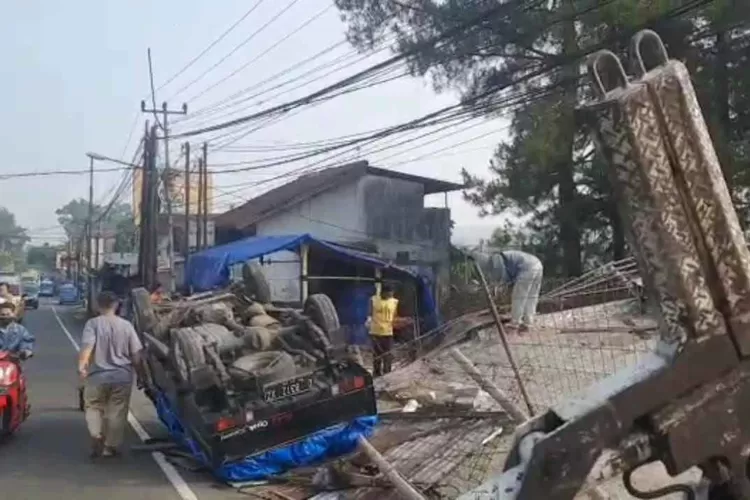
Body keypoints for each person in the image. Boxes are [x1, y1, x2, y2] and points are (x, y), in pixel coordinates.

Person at [78, 291, 145, 459]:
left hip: (97, 376)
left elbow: (87, 347)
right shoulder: (126, 326)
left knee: (93, 406)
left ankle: (96, 433)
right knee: (117, 411)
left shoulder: (92, 324)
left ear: (97, 305)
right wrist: (140, 373)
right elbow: (136, 354)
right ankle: (110, 447)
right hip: (122, 376)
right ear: (116, 305)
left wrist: (82, 366)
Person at [484, 250, 544, 333]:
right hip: (537, 264)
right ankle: (528, 322)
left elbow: (502, 274)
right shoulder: (505, 256)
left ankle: (515, 323)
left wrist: (499, 287)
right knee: (532, 296)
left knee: (518, 297)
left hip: (526, 267)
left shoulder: (496, 259)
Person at [366, 284, 399, 377]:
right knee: (377, 355)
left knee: (388, 355)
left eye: (392, 293)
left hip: (388, 332)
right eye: (389, 293)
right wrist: (368, 320)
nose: (390, 295)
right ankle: (376, 373)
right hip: (375, 331)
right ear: (383, 292)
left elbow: (396, 316)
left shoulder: (395, 302)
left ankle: (387, 373)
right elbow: (369, 313)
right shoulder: (373, 300)